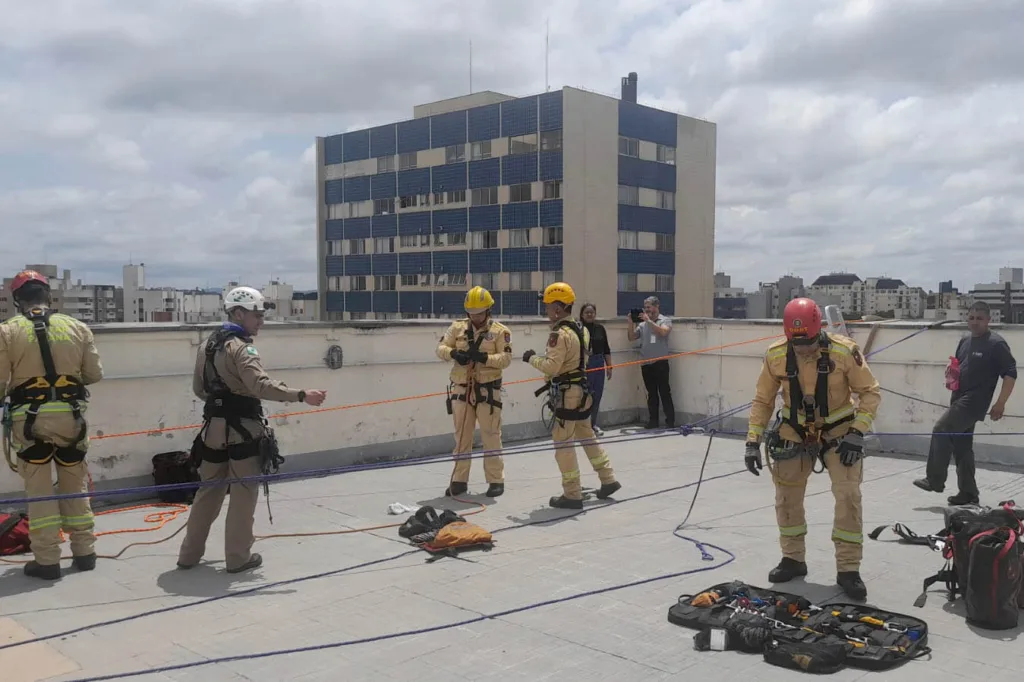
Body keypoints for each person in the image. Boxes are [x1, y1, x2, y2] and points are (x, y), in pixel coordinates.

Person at [177, 286, 326, 573]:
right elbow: (261, 386)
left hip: (213, 430)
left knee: (207, 493)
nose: (261, 321)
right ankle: (238, 557)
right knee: (244, 495)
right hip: (242, 430)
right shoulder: (242, 348)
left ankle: (188, 555)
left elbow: (199, 389)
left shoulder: (206, 346)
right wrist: (301, 394)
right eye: (256, 315)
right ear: (238, 313)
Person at [744, 297, 881, 600]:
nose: (803, 348)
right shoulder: (777, 355)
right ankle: (793, 559)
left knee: (848, 496)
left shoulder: (844, 351)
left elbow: (869, 393)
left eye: (807, 341)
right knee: (786, 497)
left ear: (818, 328)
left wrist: (857, 433)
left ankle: (848, 569)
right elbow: (763, 400)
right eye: (797, 342)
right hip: (794, 430)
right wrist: (752, 441)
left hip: (840, 432)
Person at [0, 269, 103, 580]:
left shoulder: (8, 331)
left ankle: (47, 561)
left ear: (17, 299)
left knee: (41, 491)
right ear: (47, 296)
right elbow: (94, 374)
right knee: (75, 485)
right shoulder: (77, 327)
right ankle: (85, 552)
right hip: (72, 419)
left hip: (29, 423)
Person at [523, 282, 621, 509]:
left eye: (548, 307)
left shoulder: (559, 334)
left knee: (563, 444)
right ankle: (608, 478)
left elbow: (552, 367)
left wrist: (531, 358)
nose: (546, 311)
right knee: (587, 437)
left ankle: (572, 493)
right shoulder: (581, 330)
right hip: (582, 391)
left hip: (567, 395)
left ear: (558, 309)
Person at [914, 301, 1016, 505]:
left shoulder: (996, 344)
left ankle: (934, 480)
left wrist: (1000, 403)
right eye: (971, 318)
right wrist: (951, 371)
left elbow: (1010, 374)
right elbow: (960, 364)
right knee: (962, 447)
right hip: (959, 397)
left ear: (989, 320)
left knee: (942, 429)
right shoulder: (965, 340)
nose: (975, 322)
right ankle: (969, 493)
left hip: (975, 401)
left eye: (980, 318)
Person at [435, 286, 512, 498]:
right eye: (471, 313)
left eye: (479, 313)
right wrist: (454, 353)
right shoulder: (457, 328)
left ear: (488, 311)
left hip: (488, 391)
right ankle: (459, 481)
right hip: (462, 390)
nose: (475, 317)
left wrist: (485, 358)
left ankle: (496, 480)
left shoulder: (499, 331)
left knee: (491, 436)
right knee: (461, 437)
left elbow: (505, 359)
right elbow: (440, 348)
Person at [626, 296, 674, 428]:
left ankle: (670, 421)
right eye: (645, 308)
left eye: (649, 307)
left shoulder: (664, 320)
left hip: (660, 363)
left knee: (664, 392)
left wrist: (649, 322)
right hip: (646, 363)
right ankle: (653, 421)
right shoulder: (642, 324)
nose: (647, 310)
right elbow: (631, 337)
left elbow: (663, 332)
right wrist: (630, 323)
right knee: (651, 394)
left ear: (656, 306)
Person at [580, 303, 612, 436]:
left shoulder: (600, 328)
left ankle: (593, 425)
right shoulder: (578, 328)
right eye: (587, 312)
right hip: (585, 365)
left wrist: (609, 366)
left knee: (596, 396)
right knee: (584, 396)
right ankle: (582, 427)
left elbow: (606, 348)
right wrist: (585, 352)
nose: (589, 314)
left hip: (599, 363)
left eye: (592, 312)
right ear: (582, 314)